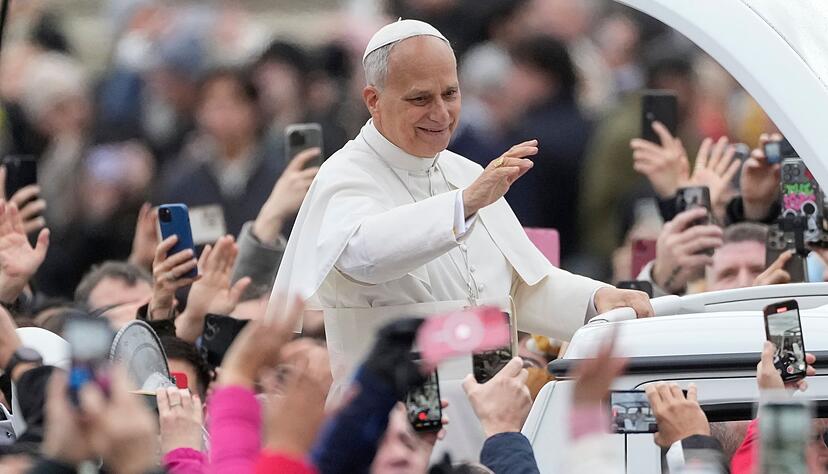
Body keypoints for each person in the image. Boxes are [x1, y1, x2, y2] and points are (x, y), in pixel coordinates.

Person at [270, 19, 653, 459]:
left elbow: (518, 285)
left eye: (450, 94)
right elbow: (361, 253)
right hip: (395, 430)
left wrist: (597, 298)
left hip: (491, 413)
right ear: (373, 100)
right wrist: (464, 205)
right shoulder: (345, 175)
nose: (440, 113)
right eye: (420, 99)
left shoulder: (466, 173)